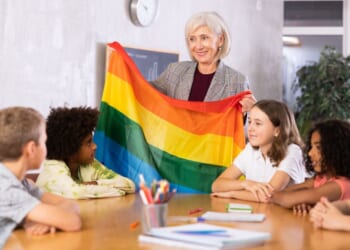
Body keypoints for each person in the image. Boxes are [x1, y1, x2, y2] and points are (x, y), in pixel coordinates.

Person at [0, 107, 81, 248]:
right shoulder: (6, 188)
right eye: (44, 141)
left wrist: (47, 219)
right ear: (31, 149)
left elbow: (69, 204)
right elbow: (73, 222)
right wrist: (52, 218)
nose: (46, 147)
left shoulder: (20, 181)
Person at [150, 11, 256, 112]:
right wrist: (132, 77)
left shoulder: (237, 81)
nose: (198, 46)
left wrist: (251, 111)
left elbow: (244, 127)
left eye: (204, 38)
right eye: (192, 39)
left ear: (220, 40)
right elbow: (146, 92)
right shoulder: (174, 71)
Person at [211, 100, 305, 202]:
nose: (250, 128)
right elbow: (217, 185)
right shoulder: (250, 150)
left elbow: (269, 195)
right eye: (250, 122)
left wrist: (231, 194)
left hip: (284, 216)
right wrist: (246, 184)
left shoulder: (292, 151)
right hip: (258, 213)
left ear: (277, 130)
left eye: (258, 123)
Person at [36, 106, 135, 199]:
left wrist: (95, 183)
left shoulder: (88, 164)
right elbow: (76, 193)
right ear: (71, 148)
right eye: (88, 143)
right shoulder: (53, 170)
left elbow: (129, 185)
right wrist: (117, 191)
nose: (95, 146)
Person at [270, 119, 350, 214]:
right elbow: (286, 191)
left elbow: (287, 199)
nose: (310, 153)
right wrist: (301, 201)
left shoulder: (340, 185)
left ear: (337, 150)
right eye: (311, 147)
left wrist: (295, 199)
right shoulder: (321, 178)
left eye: (318, 147)